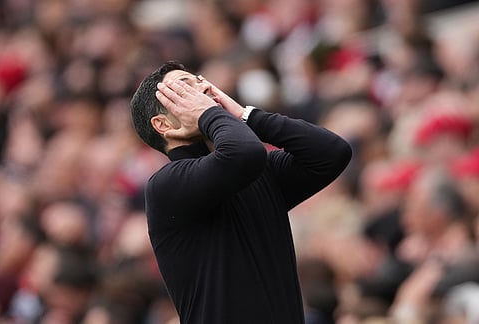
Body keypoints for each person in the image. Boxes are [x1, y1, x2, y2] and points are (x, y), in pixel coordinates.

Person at [130, 61, 352, 324]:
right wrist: (210, 114)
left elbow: (331, 153)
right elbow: (243, 154)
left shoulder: (258, 173)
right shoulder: (166, 185)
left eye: (200, 81)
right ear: (163, 124)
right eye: (185, 89)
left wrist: (246, 116)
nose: (204, 87)